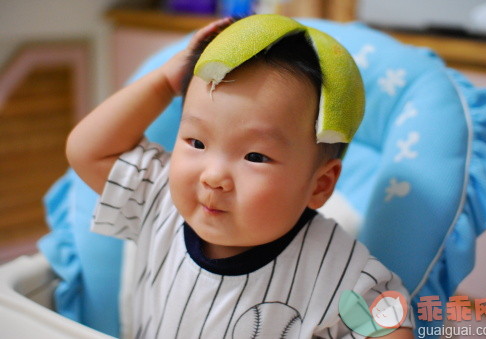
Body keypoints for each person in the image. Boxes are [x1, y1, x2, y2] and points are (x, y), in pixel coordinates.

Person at [66, 15, 414, 339]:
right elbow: (88, 151)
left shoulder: (334, 269)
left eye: (255, 157)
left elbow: (390, 324)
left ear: (320, 184)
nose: (214, 176)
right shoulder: (158, 198)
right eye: (197, 142)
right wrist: (163, 84)